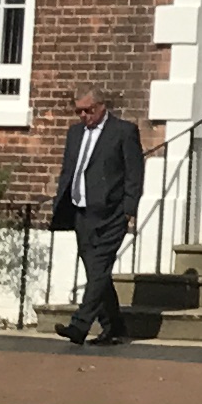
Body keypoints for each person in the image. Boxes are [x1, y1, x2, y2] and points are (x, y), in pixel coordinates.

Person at [51, 86, 144, 346]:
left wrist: (129, 210)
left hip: (112, 213)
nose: (84, 116)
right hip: (82, 212)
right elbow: (70, 169)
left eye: (88, 110)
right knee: (96, 272)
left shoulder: (124, 132)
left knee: (100, 268)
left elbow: (134, 173)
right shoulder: (75, 133)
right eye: (79, 111)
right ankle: (113, 326)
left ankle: (79, 325)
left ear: (102, 106)